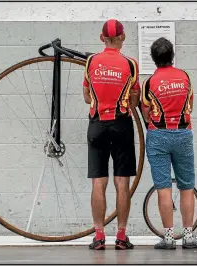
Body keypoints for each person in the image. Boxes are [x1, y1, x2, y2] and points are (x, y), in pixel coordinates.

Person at [140, 37, 197, 250]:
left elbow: (147, 113)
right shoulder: (185, 77)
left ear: (153, 59)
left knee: (164, 187)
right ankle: (188, 235)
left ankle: (168, 237)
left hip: (158, 136)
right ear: (172, 56)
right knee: (187, 187)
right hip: (183, 134)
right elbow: (191, 106)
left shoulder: (149, 82)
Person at [82, 19, 140, 250]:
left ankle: (98, 236)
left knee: (99, 182)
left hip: (97, 125)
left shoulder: (91, 62)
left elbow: (87, 97)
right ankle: (122, 236)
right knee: (122, 183)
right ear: (123, 37)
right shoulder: (131, 64)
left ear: (101, 37)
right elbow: (135, 101)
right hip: (121, 124)